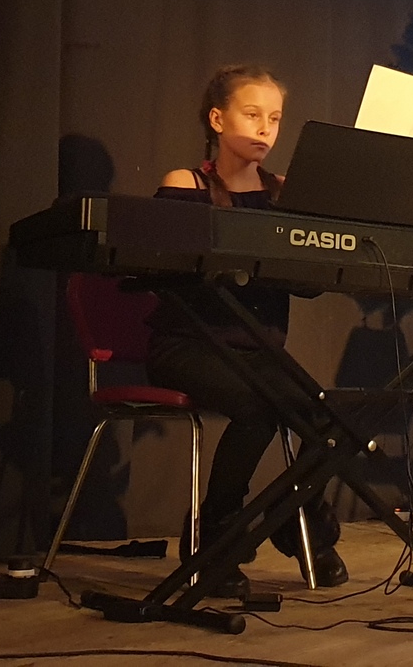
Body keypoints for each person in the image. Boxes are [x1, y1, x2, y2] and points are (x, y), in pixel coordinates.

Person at [146, 63, 348, 595]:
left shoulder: (284, 194)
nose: (265, 129)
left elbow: (309, 284)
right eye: (252, 114)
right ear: (217, 119)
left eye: (274, 118)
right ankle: (217, 537)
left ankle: (290, 521)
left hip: (258, 353)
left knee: (330, 420)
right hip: (189, 345)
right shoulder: (185, 184)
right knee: (260, 406)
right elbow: (164, 268)